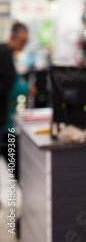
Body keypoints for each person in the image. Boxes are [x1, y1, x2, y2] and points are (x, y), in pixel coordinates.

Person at [0, 22, 29, 164]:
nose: (23, 45)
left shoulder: (9, 55)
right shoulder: (4, 54)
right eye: (21, 41)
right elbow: (8, 86)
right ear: (12, 37)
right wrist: (26, 89)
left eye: (26, 42)